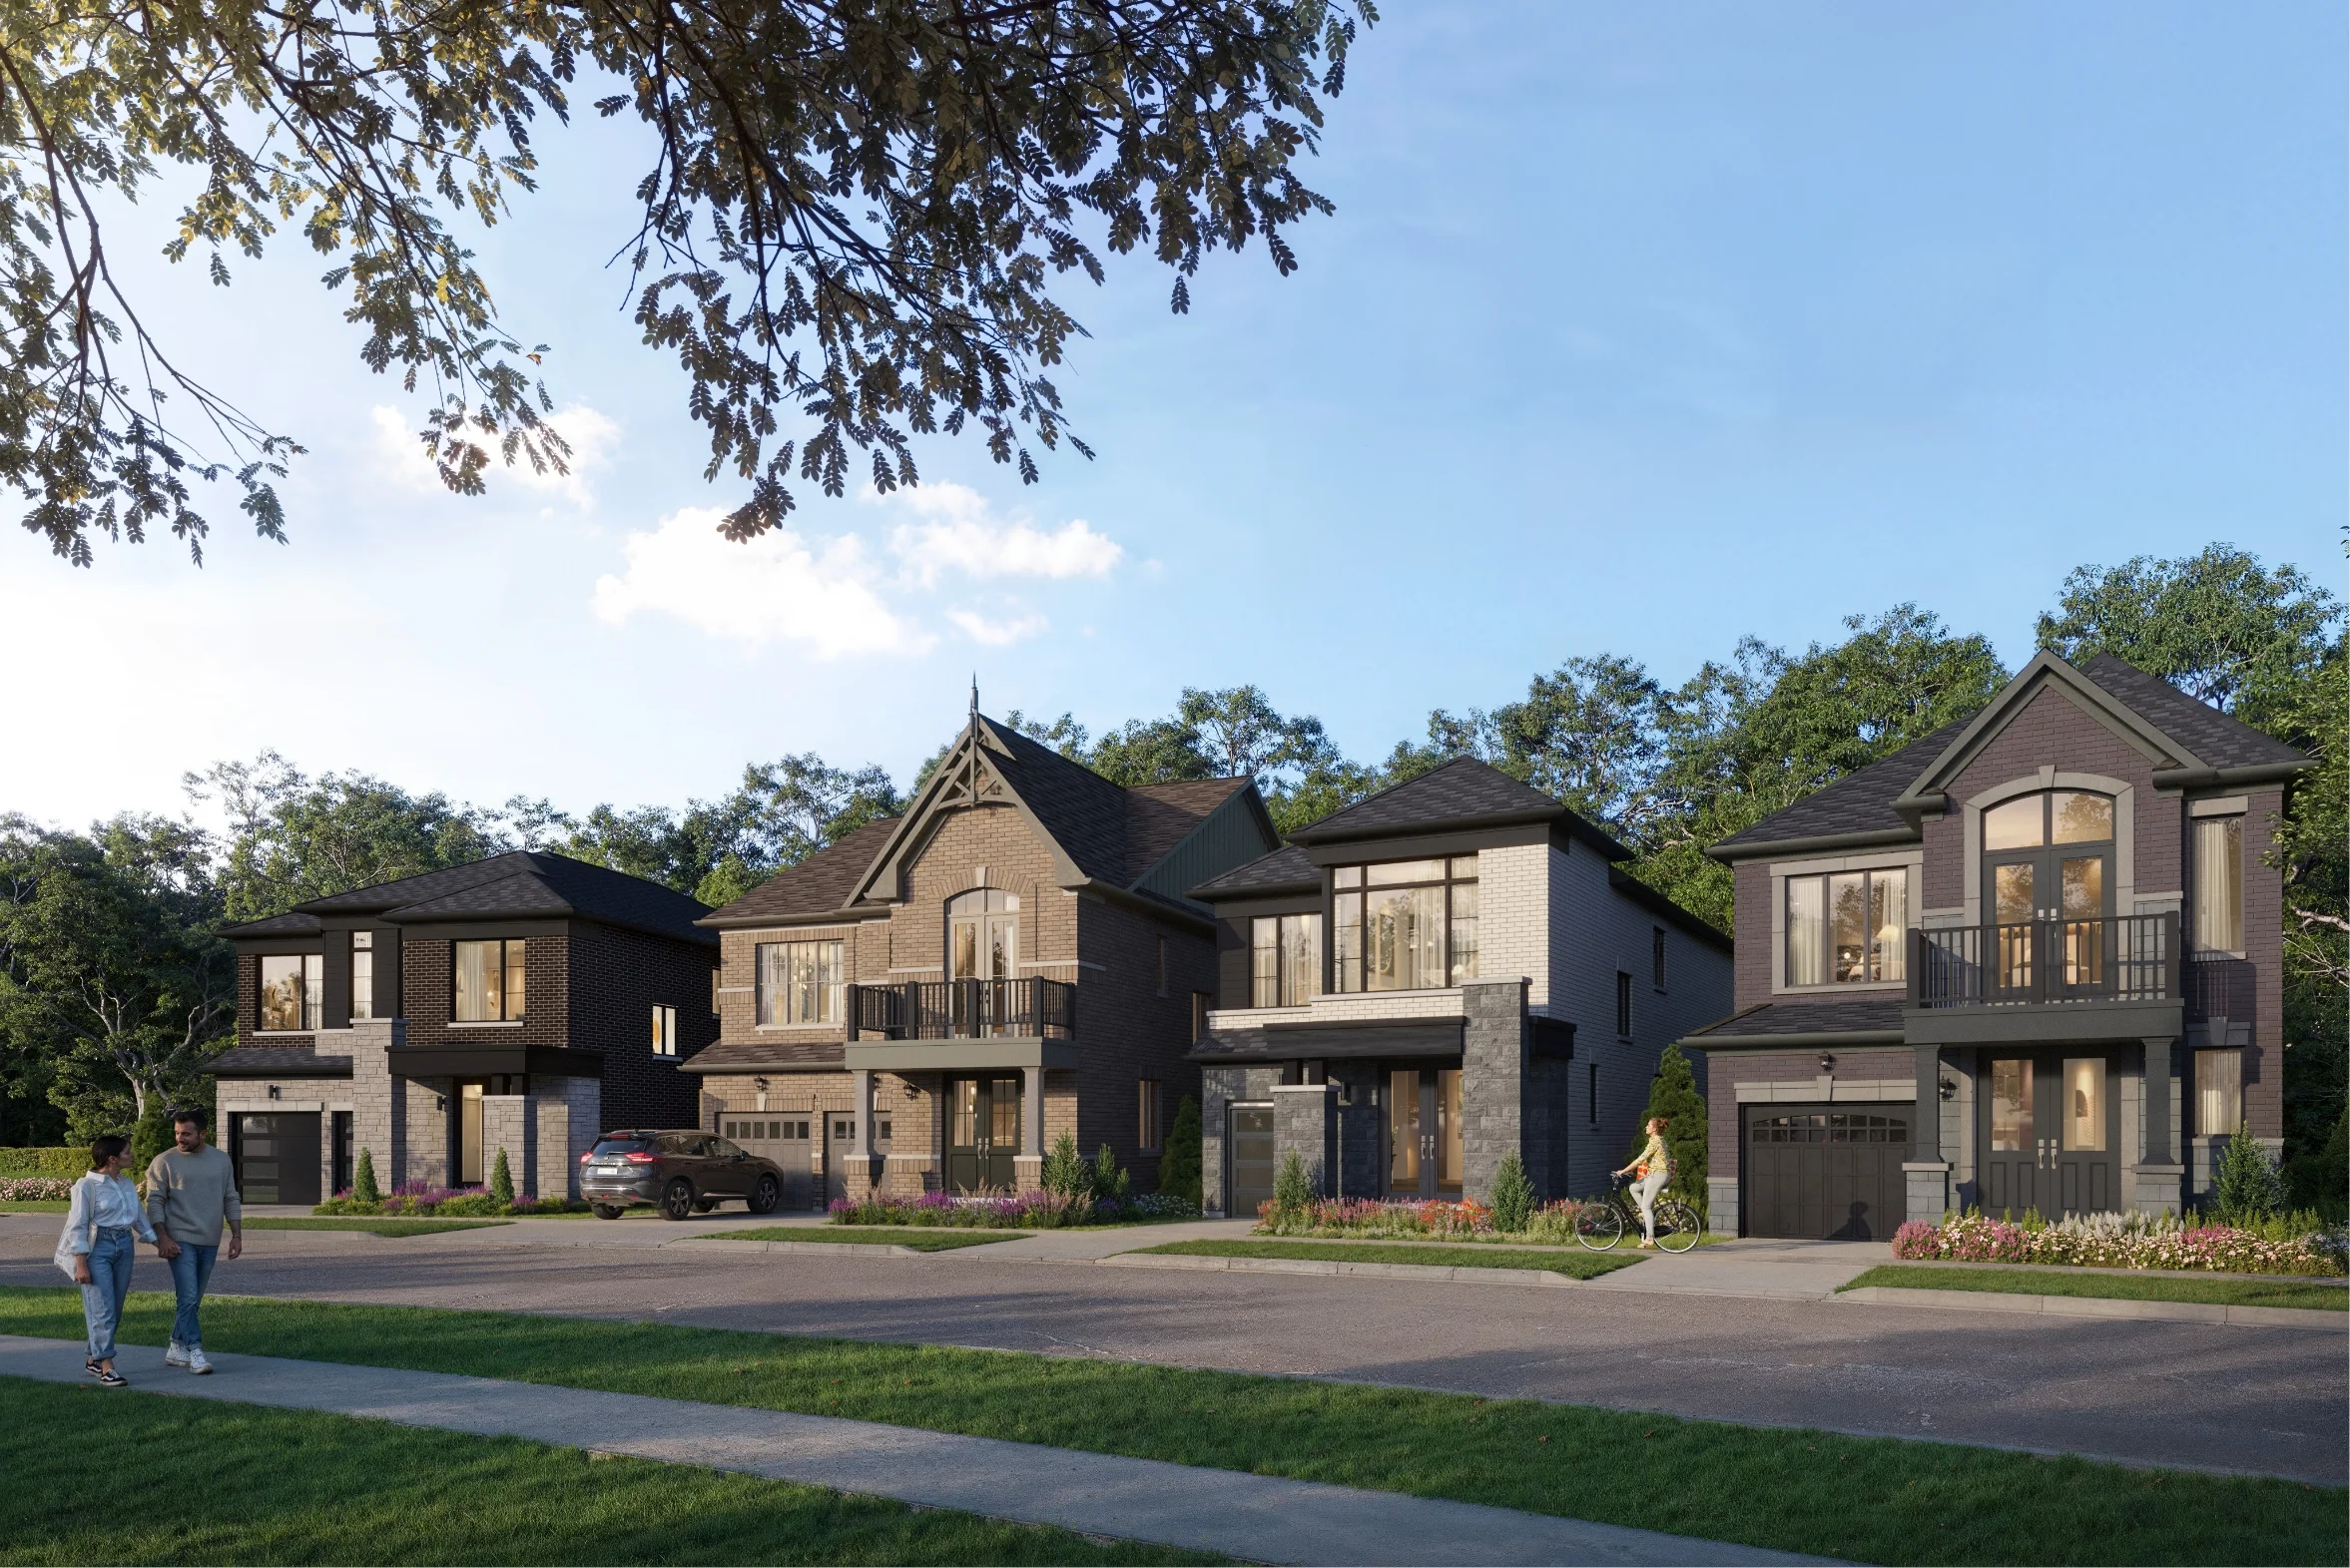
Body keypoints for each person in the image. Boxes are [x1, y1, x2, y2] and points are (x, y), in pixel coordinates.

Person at [145, 1107, 243, 1375]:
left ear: (202, 1133)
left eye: (186, 1133)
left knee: (193, 1299)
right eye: (177, 1133)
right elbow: (154, 1201)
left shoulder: (222, 1161)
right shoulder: (163, 1161)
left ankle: (176, 1345)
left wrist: (236, 1235)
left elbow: (230, 1198)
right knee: (187, 1296)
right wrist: (162, 1238)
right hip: (179, 1240)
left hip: (210, 1239)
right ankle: (196, 1351)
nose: (180, 1138)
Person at [54, 1136, 157, 1387]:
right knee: (101, 1309)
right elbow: (78, 1226)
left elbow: (138, 1217)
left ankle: (93, 1359)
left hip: (124, 1245)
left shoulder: (126, 1184)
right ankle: (107, 1366)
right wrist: (80, 1263)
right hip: (96, 1249)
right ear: (112, 1158)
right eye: (127, 1152)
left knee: (115, 1308)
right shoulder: (85, 1186)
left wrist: (158, 1241)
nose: (131, 1155)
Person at [1612, 1116, 1676, 1250]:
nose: (1646, 1127)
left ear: (1654, 1129)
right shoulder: (1656, 1140)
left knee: (1646, 1207)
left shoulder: (1655, 1141)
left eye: (1648, 1125)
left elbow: (1640, 1159)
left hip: (1658, 1175)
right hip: (1654, 1174)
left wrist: (1623, 1171)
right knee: (1634, 1188)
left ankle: (1650, 1238)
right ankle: (1648, 1216)